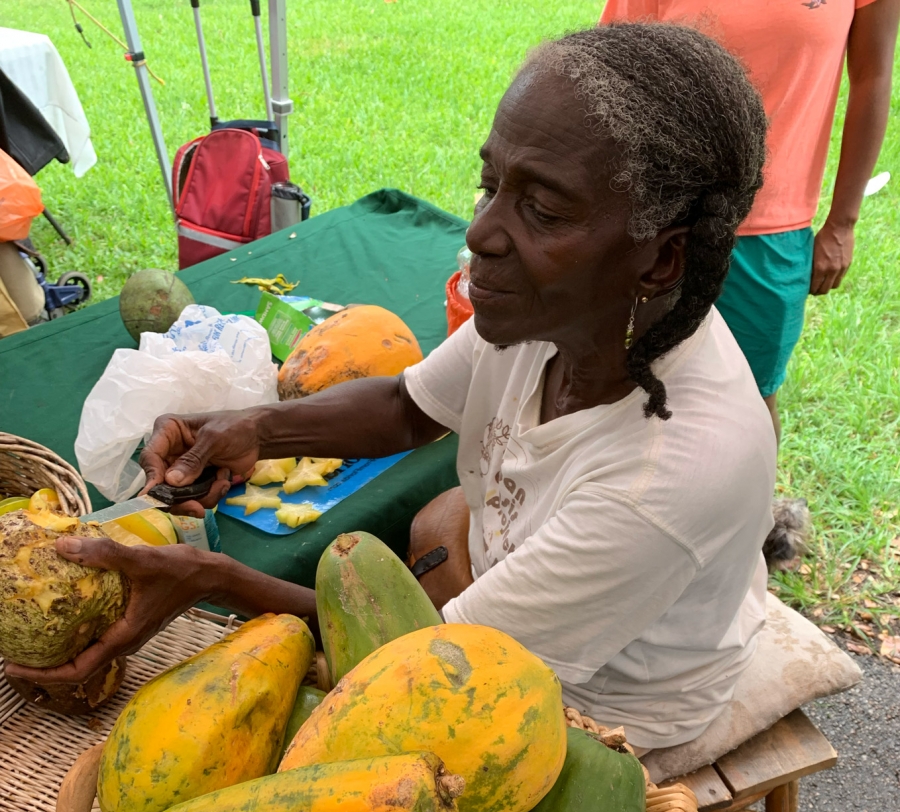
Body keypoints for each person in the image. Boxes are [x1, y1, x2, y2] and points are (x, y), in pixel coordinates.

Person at [8, 24, 777, 753]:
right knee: (439, 523)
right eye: (491, 184)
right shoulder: (565, 312)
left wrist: (212, 580)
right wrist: (250, 429)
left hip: (599, 709)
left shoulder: (666, 478)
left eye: (540, 208)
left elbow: (423, 659)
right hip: (516, 589)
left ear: (660, 260)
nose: (480, 232)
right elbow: (409, 408)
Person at [601, 0, 900, 442]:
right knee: (624, 387)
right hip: (657, 217)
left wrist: (843, 221)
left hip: (770, 235)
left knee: (748, 402)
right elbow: (607, 73)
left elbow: (873, 79)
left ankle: (748, 511)